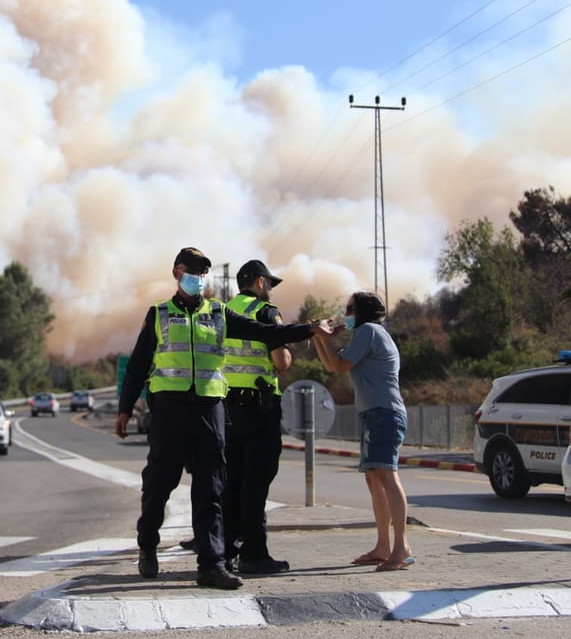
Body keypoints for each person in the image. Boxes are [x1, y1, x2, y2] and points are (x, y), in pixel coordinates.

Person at [114, 247, 330, 590]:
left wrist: (308, 329)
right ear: (176, 273)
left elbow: (266, 334)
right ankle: (148, 544)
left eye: (203, 273)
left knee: (211, 487)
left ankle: (212, 564)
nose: (198, 278)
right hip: (170, 410)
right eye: (192, 272)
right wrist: (125, 408)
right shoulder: (158, 314)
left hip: (211, 409)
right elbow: (139, 365)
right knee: (159, 484)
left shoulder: (219, 313)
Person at [311, 290, 414, 572]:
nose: (346, 314)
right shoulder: (365, 334)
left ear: (362, 312)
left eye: (350, 309)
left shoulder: (369, 331)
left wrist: (322, 335)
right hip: (372, 414)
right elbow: (332, 365)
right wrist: (319, 336)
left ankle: (401, 546)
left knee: (387, 475)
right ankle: (382, 545)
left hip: (385, 413)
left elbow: (340, 364)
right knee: (374, 479)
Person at [219, 259, 293, 574]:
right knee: (256, 482)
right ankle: (254, 553)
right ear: (260, 283)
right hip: (259, 407)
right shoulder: (265, 313)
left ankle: (224, 551)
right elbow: (281, 361)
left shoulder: (222, 312)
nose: (272, 291)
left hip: (226, 407)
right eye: (270, 285)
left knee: (231, 482)